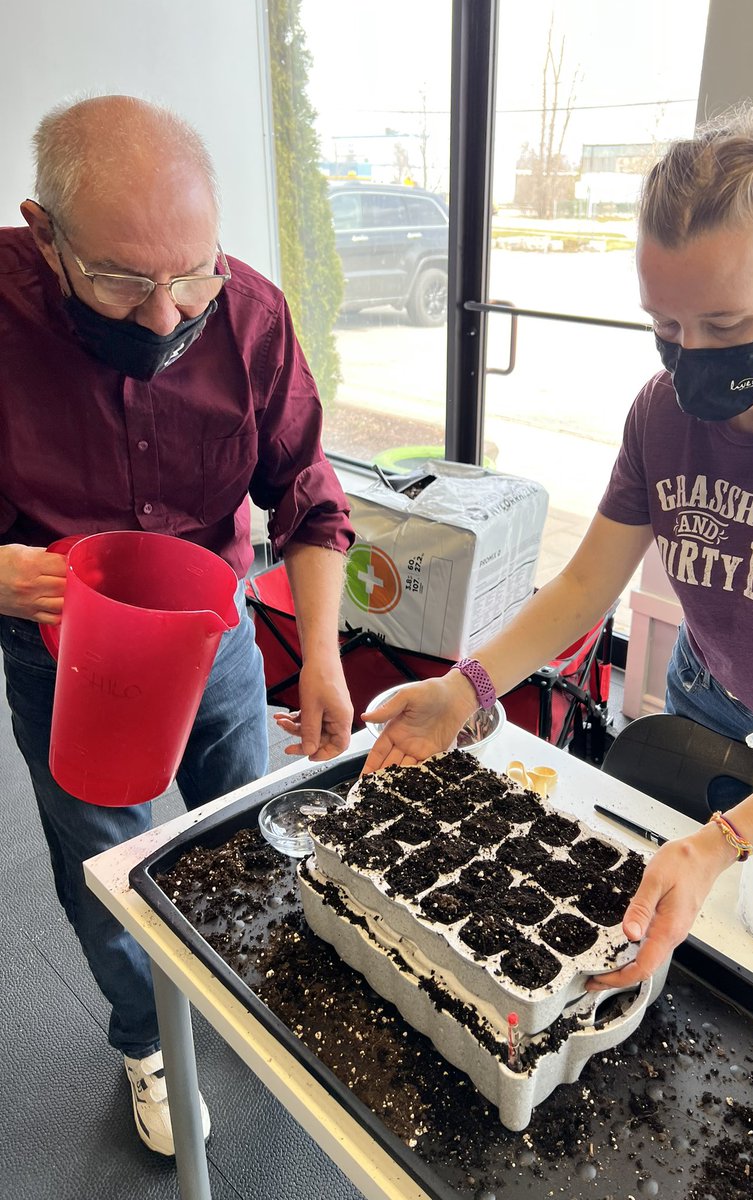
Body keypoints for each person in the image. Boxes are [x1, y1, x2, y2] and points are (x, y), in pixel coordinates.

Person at [361, 105, 753, 994]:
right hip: (706, 706)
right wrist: (466, 689)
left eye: (725, 327)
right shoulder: (660, 411)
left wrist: (725, 841)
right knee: (654, 947)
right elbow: (583, 588)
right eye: (667, 325)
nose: (691, 359)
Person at [0, 95, 354, 1155]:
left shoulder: (248, 315)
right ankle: (146, 1035)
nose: (164, 315)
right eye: (120, 279)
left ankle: (256, 982)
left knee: (248, 820)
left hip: (213, 634)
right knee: (101, 851)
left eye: (190, 273)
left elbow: (309, 494)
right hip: (61, 640)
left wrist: (324, 660)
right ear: (44, 230)